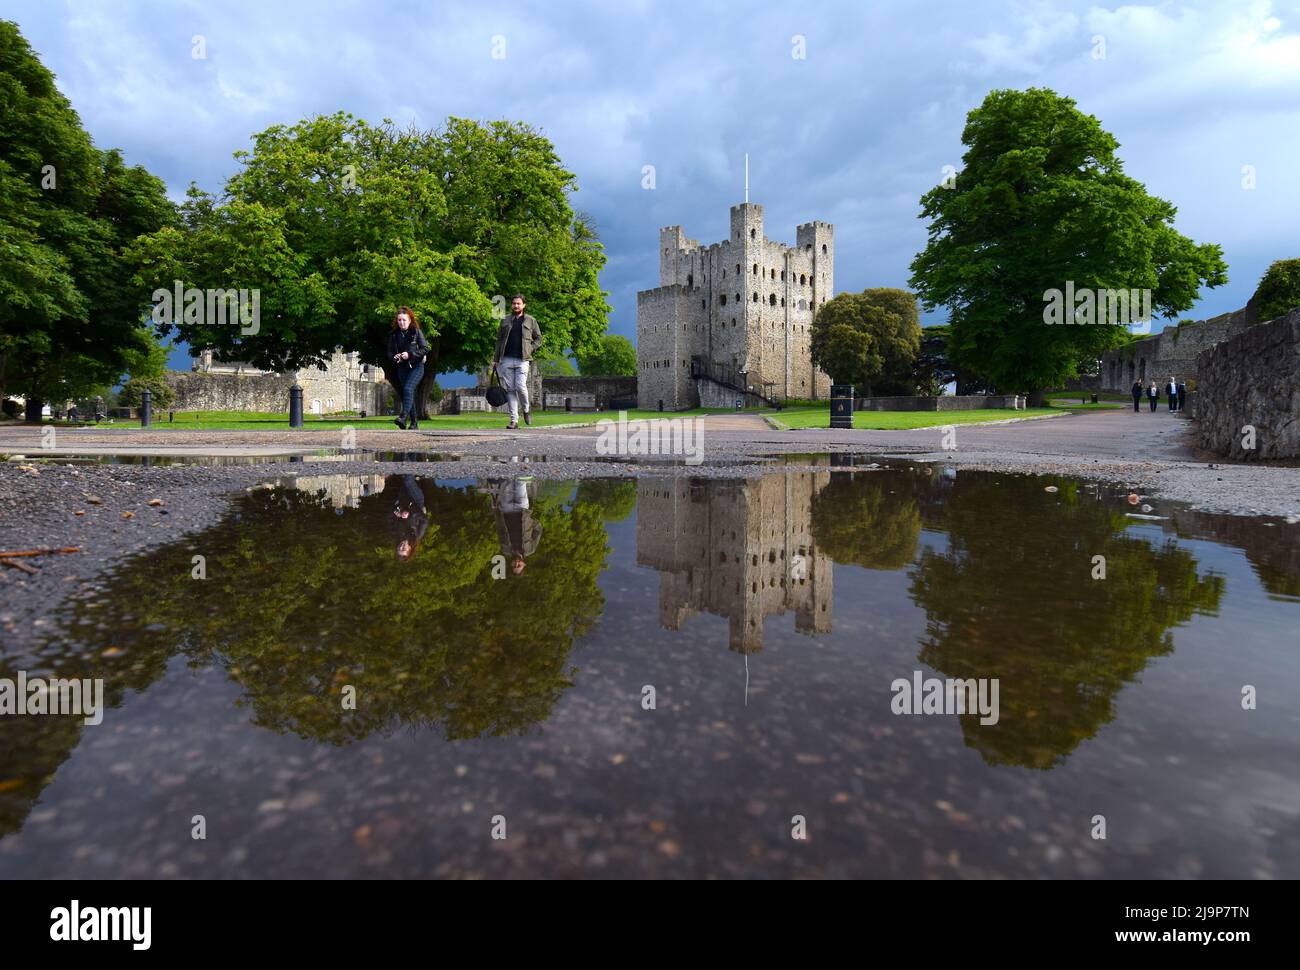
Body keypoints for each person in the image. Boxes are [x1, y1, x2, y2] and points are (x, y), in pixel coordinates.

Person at [492, 294, 542, 430]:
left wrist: (530, 348)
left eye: (518, 303)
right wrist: (495, 360)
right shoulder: (505, 320)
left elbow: (538, 339)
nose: (516, 306)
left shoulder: (531, 320)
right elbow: (499, 341)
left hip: (523, 360)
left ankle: (526, 409)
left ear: (523, 305)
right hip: (506, 359)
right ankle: (514, 420)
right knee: (510, 390)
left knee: (520, 386)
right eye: (514, 303)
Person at [388, 306, 429, 430]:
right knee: (408, 392)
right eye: (399, 320)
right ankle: (414, 423)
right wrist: (395, 357)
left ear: (410, 320)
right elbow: (389, 352)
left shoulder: (416, 331)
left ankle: (403, 416)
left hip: (416, 366)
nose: (401, 322)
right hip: (402, 368)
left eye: (404, 320)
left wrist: (410, 354)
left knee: (408, 388)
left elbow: (425, 348)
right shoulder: (394, 335)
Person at [493, 477, 542, 576]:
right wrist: (530, 521)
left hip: (507, 510)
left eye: (514, 566)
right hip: (522, 510)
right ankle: (520, 463)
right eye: (519, 566)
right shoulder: (530, 550)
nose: (516, 564)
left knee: (507, 482)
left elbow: (500, 529)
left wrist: (496, 511)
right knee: (520, 483)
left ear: (511, 564)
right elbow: (538, 530)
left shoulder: (505, 549)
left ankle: (511, 462)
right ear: (524, 564)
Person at [390, 475, 428, 561]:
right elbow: (424, 520)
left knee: (404, 477)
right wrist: (411, 514)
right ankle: (411, 466)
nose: (401, 547)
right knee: (408, 480)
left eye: (399, 549)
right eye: (403, 549)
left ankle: (412, 465)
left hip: (402, 500)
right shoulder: (417, 535)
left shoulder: (395, 533)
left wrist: (398, 513)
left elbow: (390, 516)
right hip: (416, 501)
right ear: (410, 549)